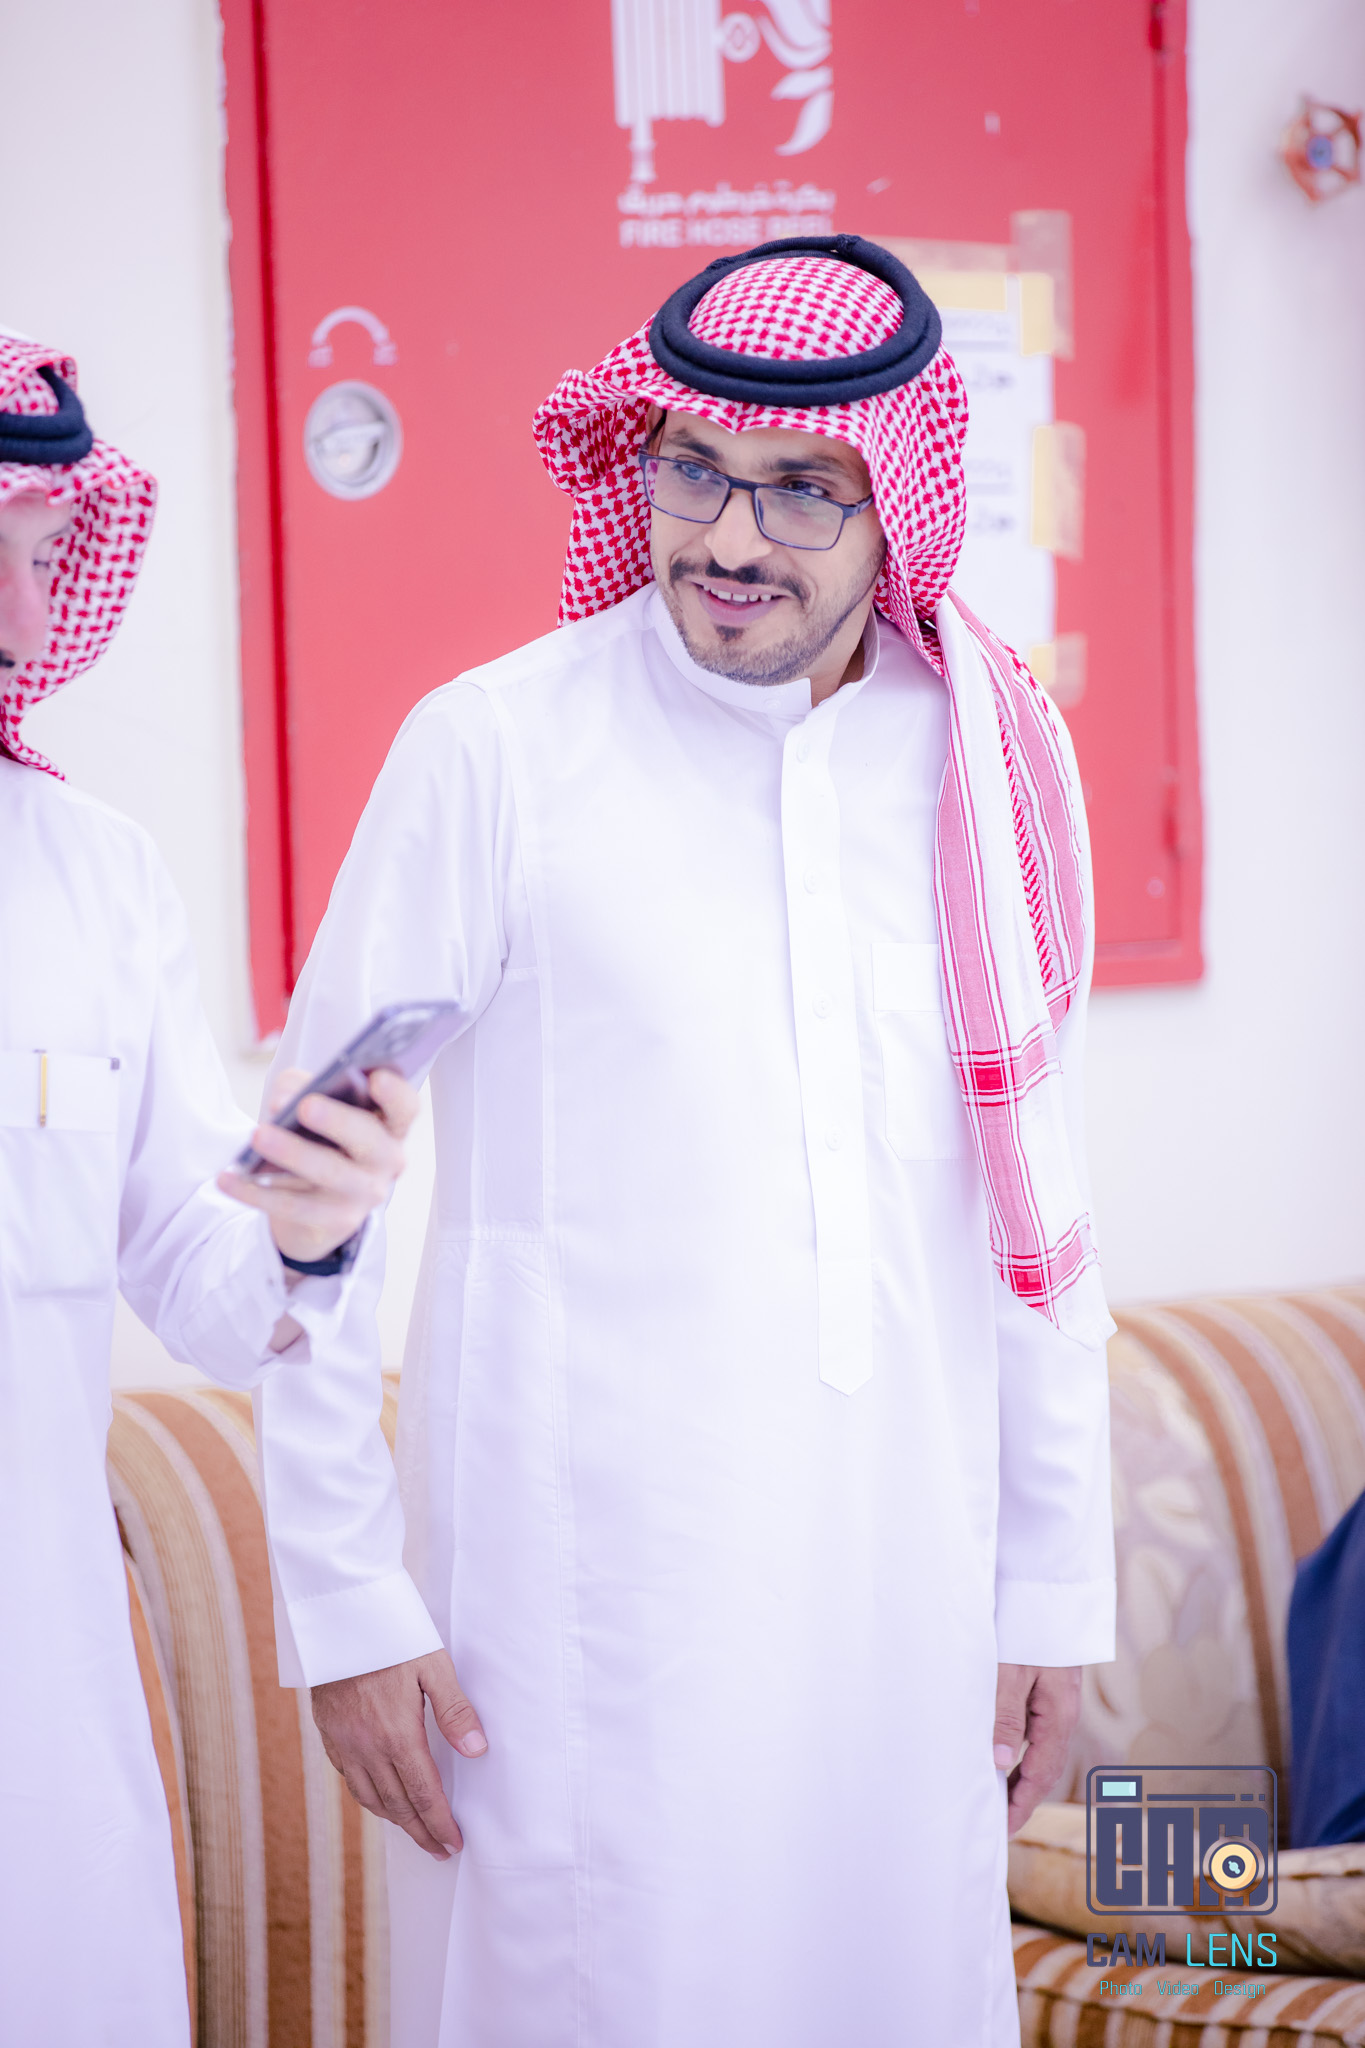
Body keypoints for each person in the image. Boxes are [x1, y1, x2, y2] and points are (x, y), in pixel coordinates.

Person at [253, 239, 1116, 2047]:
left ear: (898, 504)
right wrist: (343, 1598)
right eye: (692, 471)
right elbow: (307, 1195)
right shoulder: (495, 749)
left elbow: (1037, 1205)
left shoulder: (986, 764)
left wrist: (1053, 1588)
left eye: (802, 489)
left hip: (899, 1616)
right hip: (583, 1633)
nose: (729, 538)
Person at [0, 328, 418, 2048]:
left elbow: (197, 1269)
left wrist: (305, 1232)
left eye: (39, 557)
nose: (20, 614)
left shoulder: (90, 881)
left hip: (36, 1737)